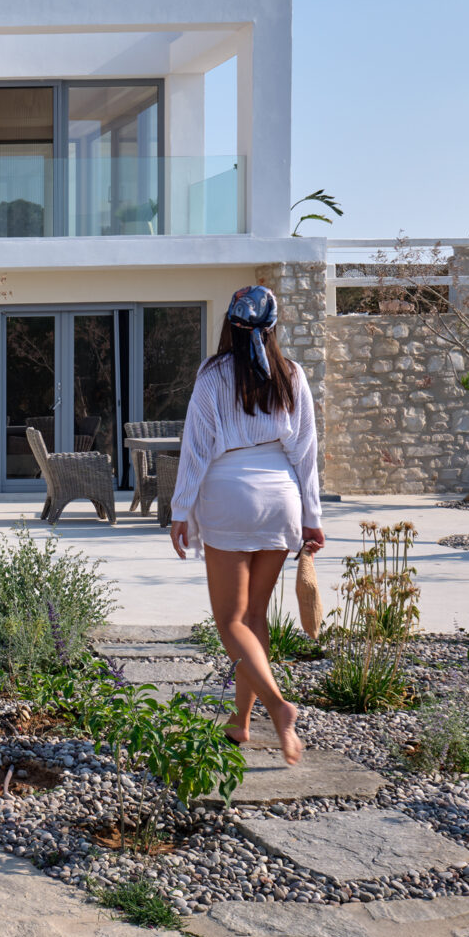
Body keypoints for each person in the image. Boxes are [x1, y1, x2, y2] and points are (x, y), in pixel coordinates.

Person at [167, 285, 325, 762]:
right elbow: (306, 451)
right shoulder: (292, 374)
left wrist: (180, 509)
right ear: (272, 327)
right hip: (282, 497)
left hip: (229, 495)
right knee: (255, 617)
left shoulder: (213, 374)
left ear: (230, 326)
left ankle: (278, 707)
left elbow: (196, 446)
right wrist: (312, 517)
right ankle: (240, 722)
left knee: (230, 621)